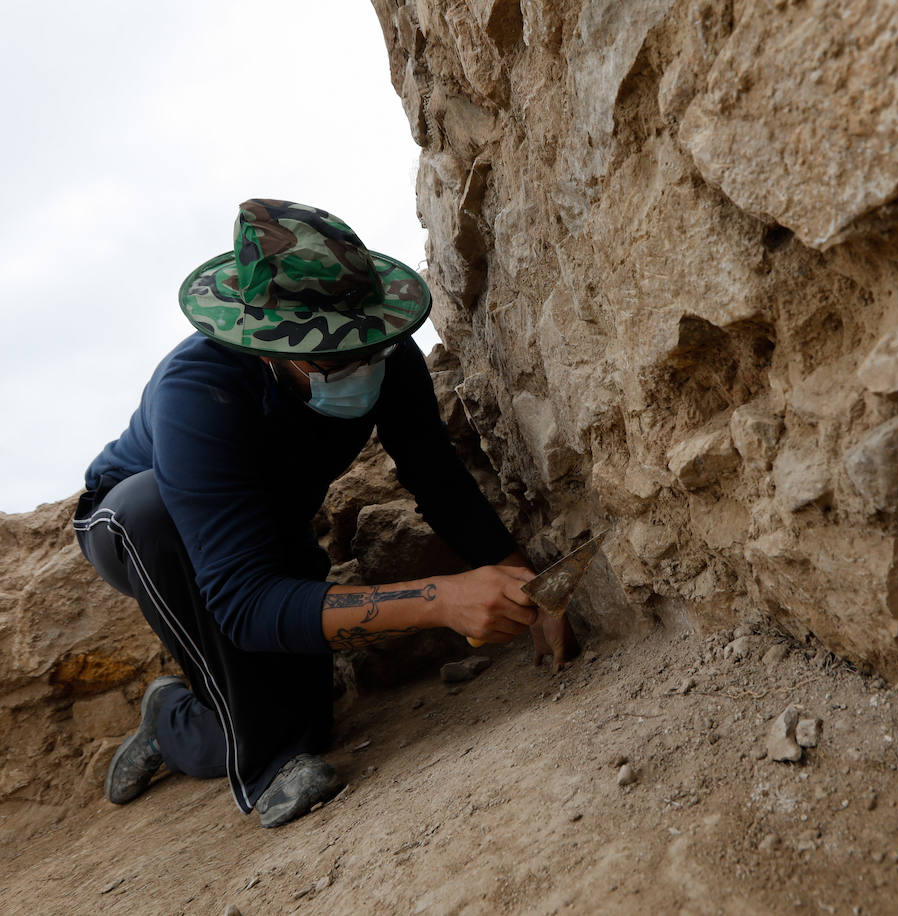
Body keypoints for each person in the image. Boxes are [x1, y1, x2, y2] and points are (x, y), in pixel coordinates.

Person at [73, 199, 575, 828]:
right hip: (138, 527)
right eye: (334, 359)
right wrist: (441, 598)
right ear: (266, 346)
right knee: (152, 513)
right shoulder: (197, 391)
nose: (362, 368)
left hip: (263, 523)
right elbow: (242, 600)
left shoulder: (386, 355)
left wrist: (528, 587)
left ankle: (173, 717)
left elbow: (438, 479)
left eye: (369, 347)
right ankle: (266, 771)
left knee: (309, 716)